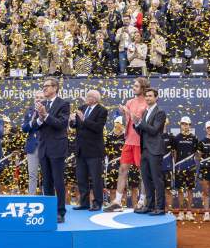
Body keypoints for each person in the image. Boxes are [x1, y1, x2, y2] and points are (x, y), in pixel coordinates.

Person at [105, 77, 150, 212]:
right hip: (128, 141)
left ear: (143, 88)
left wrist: (128, 112)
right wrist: (126, 113)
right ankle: (117, 202)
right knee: (123, 169)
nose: (133, 87)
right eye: (134, 85)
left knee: (143, 173)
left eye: (136, 86)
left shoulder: (147, 104)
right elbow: (129, 122)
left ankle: (142, 201)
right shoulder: (129, 102)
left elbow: (141, 122)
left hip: (140, 143)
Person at [33, 77, 70, 223]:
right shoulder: (41, 104)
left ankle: (60, 212)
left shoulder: (63, 104)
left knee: (58, 180)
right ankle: (48, 211)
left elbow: (61, 124)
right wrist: (40, 117)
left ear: (55, 88)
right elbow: (36, 126)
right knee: (46, 181)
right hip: (43, 147)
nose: (44, 89)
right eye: (43, 86)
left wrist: (46, 115)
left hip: (57, 147)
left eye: (47, 86)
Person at [129, 88, 167, 215]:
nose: (148, 98)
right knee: (146, 179)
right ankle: (149, 206)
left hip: (155, 150)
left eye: (150, 96)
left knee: (157, 179)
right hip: (145, 149)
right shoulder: (146, 112)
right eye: (146, 96)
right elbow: (142, 132)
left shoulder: (160, 112)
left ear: (156, 98)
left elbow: (154, 130)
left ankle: (160, 208)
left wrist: (140, 122)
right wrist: (136, 124)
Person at [70, 90, 108, 211]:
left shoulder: (102, 110)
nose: (87, 98)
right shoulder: (82, 108)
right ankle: (84, 202)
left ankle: (97, 202)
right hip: (81, 149)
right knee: (81, 177)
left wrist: (84, 119)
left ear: (96, 98)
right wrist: (73, 121)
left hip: (94, 150)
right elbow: (75, 126)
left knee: (96, 178)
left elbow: (98, 128)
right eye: (87, 96)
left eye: (89, 96)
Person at [173, 116, 198, 222]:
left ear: (190, 126)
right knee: (180, 190)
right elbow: (174, 154)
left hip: (191, 167)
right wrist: (177, 165)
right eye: (183, 124)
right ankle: (181, 212)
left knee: (190, 190)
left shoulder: (194, 138)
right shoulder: (176, 138)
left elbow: (196, 154)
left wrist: (193, 165)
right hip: (179, 167)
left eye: (187, 124)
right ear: (180, 125)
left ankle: (189, 212)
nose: (185, 126)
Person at [21, 91, 45, 195]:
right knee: (32, 174)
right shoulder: (29, 111)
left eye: (41, 97)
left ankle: (47, 197)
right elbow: (24, 129)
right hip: (32, 147)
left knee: (46, 174)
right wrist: (31, 121)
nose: (38, 99)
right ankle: (31, 197)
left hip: (45, 145)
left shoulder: (48, 110)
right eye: (37, 97)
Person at [161, 122, 174, 214]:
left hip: (167, 168)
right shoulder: (154, 136)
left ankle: (169, 210)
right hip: (156, 168)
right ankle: (159, 209)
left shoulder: (170, 137)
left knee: (168, 190)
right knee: (156, 190)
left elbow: (174, 152)